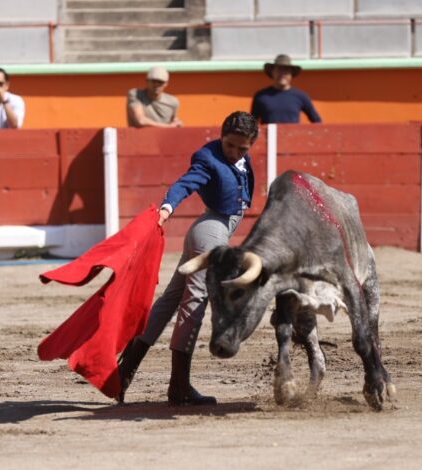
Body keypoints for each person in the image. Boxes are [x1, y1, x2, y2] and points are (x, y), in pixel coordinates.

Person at [116, 111, 259, 406]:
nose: (233, 153)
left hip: (211, 233)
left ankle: (122, 374)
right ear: (221, 136)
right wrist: (168, 207)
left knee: (169, 301)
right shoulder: (207, 158)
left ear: (251, 144)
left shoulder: (242, 159)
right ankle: (178, 385)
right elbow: (186, 183)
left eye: (241, 148)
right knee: (194, 303)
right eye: (229, 145)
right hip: (209, 235)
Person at [251, 54, 321, 124]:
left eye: (286, 71)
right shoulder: (261, 96)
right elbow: (251, 124)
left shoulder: (301, 96)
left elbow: (317, 122)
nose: (282, 74)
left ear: (291, 74)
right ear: (272, 72)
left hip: (293, 135)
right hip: (268, 135)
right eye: (279, 70)